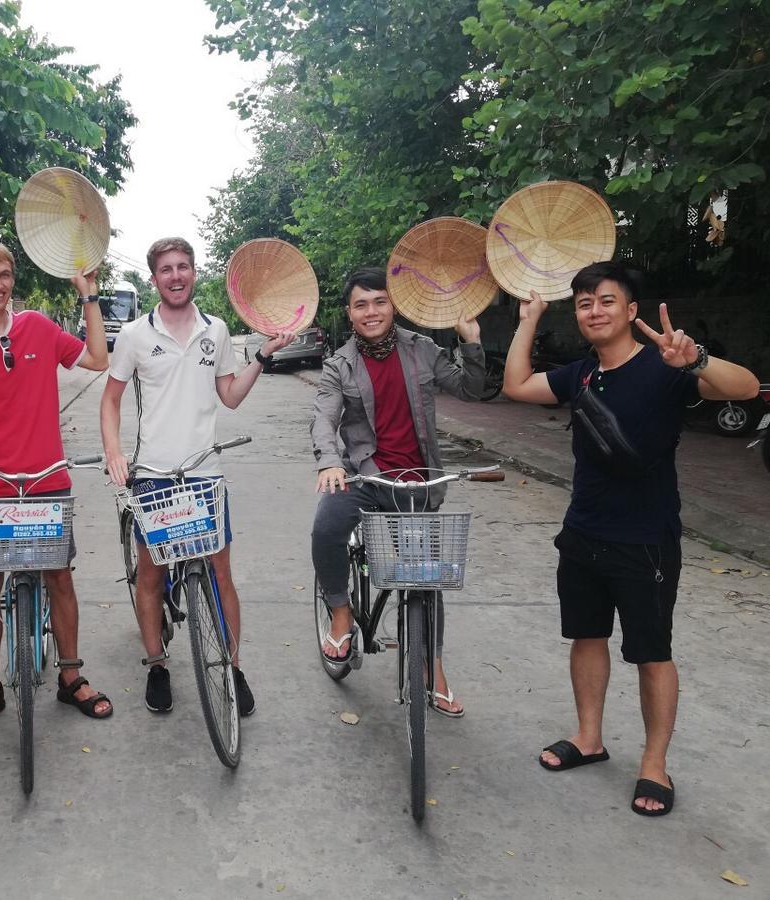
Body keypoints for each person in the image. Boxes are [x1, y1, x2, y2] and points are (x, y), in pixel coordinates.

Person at [502, 261, 759, 816]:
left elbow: (748, 388)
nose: (595, 311)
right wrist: (529, 319)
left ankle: (654, 764)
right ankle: (589, 738)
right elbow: (516, 385)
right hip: (584, 531)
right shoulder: (580, 375)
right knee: (586, 636)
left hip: (646, 538)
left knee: (651, 653)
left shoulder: (667, 367)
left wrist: (697, 359)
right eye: (585, 303)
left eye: (607, 301)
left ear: (632, 310)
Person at [100, 236, 293, 716]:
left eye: (183, 266)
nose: (176, 275)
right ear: (154, 279)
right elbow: (111, 399)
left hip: (205, 475)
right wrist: (113, 452)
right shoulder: (134, 335)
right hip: (153, 476)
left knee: (222, 574)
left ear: (194, 272)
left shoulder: (217, 330)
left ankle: (232, 664)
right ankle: (157, 664)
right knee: (152, 575)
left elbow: (229, 395)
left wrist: (263, 357)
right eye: (166, 269)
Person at [0, 240, 113, 735]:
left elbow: (98, 359)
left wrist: (88, 295)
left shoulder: (37, 326)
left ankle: (70, 675)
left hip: (46, 476)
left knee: (59, 577)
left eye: (5, 274)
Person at [311, 266, 485, 716]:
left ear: (394, 305)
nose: (371, 312)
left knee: (427, 577)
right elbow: (324, 418)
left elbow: (471, 388)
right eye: (361, 304)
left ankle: (433, 669)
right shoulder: (339, 365)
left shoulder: (423, 349)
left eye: (380, 301)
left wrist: (471, 341)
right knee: (327, 528)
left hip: (418, 482)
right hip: (365, 477)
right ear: (349, 314)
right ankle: (341, 613)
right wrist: (330, 462)